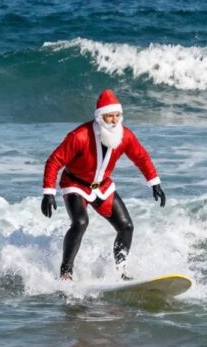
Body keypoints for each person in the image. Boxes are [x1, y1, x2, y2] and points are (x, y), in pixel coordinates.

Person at [42, 90, 166, 280]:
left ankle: (121, 272)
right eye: (109, 116)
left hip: (103, 187)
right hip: (76, 185)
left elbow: (141, 157)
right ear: (100, 117)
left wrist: (154, 182)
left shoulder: (125, 136)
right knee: (80, 222)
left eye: (117, 116)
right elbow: (54, 161)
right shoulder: (80, 136)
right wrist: (48, 192)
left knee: (126, 227)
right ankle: (66, 272)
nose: (114, 120)